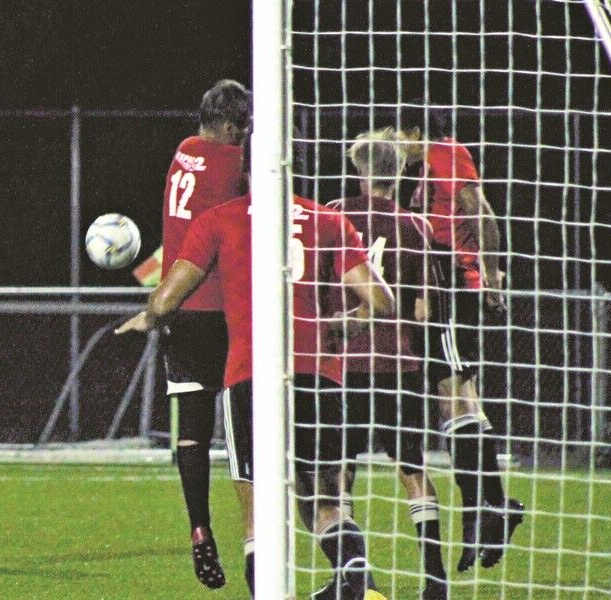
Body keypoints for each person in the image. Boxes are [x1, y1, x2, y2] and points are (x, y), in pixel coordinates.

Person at [116, 154, 395, 599]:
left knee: (257, 520)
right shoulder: (329, 221)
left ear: (246, 171)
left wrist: (148, 316)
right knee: (326, 504)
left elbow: (167, 299)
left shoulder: (218, 220)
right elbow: (383, 302)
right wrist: (347, 324)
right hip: (319, 375)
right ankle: (358, 585)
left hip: (250, 377)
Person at [398, 106, 524, 571]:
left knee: (454, 395)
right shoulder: (426, 166)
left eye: (403, 135)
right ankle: (489, 508)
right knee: (459, 396)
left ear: (415, 131)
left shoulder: (446, 153)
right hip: (441, 284)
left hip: (452, 283)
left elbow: (481, 212)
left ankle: (484, 509)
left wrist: (488, 275)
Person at [326, 130, 447, 599]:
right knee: (413, 471)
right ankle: (435, 584)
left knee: (338, 476)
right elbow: (423, 310)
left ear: (360, 172)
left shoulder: (333, 216)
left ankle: (357, 582)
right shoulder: (414, 226)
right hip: (398, 366)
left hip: (342, 368)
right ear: (399, 175)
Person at [159, 78, 250, 589]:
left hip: (178, 309)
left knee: (191, 429)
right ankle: (260, 535)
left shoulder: (184, 152)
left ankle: (200, 529)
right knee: (247, 425)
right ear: (235, 127)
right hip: (223, 308)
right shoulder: (231, 165)